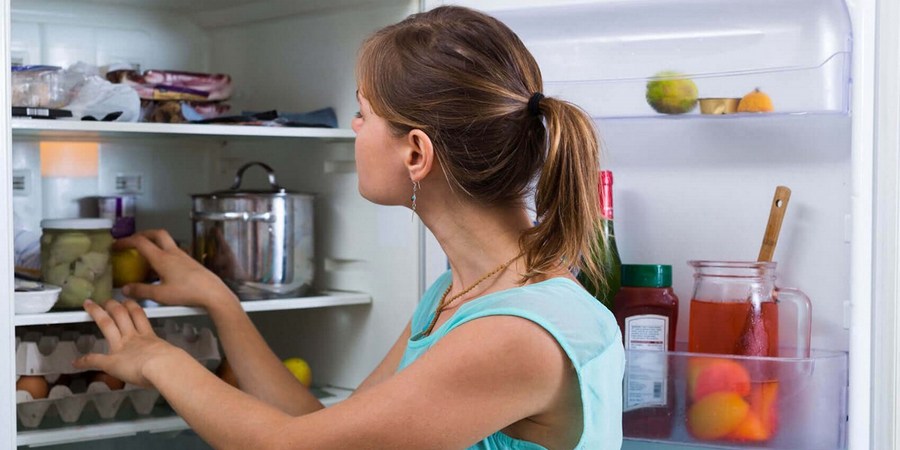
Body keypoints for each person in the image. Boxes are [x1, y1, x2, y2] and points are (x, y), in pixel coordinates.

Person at [74, 5, 624, 449]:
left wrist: (159, 360)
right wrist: (222, 304)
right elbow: (322, 427)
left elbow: (293, 448)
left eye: (363, 112)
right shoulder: (463, 294)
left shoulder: (517, 334)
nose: (353, 128)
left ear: (415, 153)